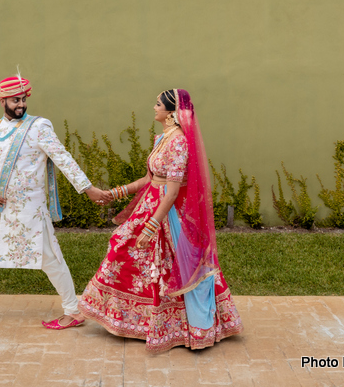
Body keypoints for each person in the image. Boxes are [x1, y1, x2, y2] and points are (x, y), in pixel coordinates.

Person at [0, 72, 111, 329]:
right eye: (15, 100)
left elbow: (63, 158)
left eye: (24, 99)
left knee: (50, 258)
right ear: (2, 100)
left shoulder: (38, 127)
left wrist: (87, 188)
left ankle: (73, 310)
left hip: (29, 209)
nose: (21, 105)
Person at [79, 89, 243, 352]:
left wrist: (153, 224)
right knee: (123, 248)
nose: (153, 107)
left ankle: (171, 324)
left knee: (161, 265)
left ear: (170, 112)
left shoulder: (178, 142)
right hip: (150, 203)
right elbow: (148, 180)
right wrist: (115, 193)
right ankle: (134, 318)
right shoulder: (163, 138)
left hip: (167, 213)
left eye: (158, 103)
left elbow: (174, 190)